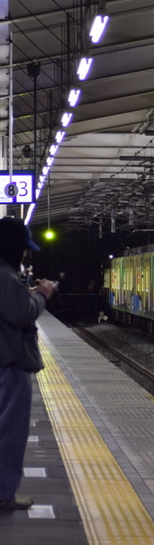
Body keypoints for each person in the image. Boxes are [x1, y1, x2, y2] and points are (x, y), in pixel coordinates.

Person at [0, 217, 57, 510]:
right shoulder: (5, 277)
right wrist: (42, 296)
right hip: (9, 365)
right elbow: (20, 314)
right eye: (22, 248)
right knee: (10, 432)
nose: (24, 254)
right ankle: (4, 494)